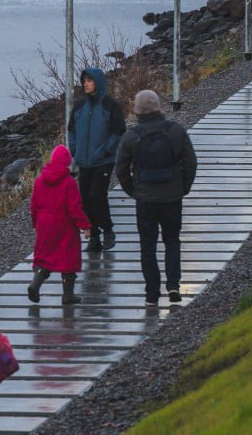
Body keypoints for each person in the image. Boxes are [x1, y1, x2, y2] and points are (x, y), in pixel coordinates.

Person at [115, 89, 198, 306]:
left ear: (137, 110)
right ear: (158, 106)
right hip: (172, 197)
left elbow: (120, 169)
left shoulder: (131, 136)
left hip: (146, 200)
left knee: (147, 246)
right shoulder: (175, 131)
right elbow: (190, 162)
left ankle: (152, 293)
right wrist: (183, 187)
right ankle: (173, 285)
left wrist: (133, 191)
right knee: (172, 241)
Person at [67, 67, 126, 253]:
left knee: (97, 195)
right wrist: (74, 149)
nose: (85, 84)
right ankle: (94, 237)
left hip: (103, 160)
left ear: (98, 82)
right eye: (84, 80)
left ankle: (108, 230)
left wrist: (107, 150)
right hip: (84, 160)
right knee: (85, 199)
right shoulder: (79, 105)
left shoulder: (110, 105)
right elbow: (71, 129)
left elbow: (119, 130)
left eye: (89, 80)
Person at [28, 144, 92, 305]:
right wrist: (85, 226)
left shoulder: (39, 181)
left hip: (44, 223)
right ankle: (68, 295)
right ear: (67, 163)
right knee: (68, 257)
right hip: (65, 224)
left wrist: (35, 224)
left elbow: (34, 205)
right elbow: (75, 208)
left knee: (44, 256)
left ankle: (35, 284)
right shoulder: (69, 182)